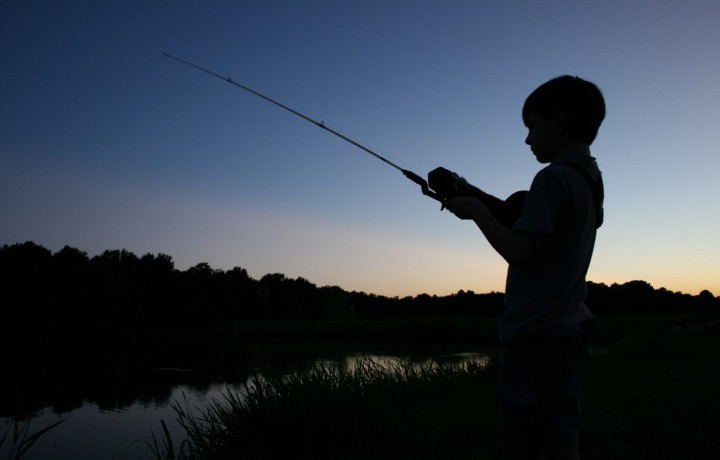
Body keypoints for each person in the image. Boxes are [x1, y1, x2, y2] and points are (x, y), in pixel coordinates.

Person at [444, 75, 605, 460]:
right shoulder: (590, 179)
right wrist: (477, 193)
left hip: (535, 333)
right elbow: (534, 223)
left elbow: (521, 251)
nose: (528, 139)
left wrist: (478, 212)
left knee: (522, 438)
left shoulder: (550, 180)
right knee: (561, 432)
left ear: (560, 122)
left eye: (532, 126)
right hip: (572, 326)